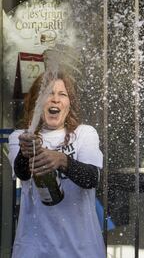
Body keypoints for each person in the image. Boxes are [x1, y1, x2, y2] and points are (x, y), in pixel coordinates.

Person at [8, 72, 105, 258]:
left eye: (63, 94)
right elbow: (22, 174)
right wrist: (25, 151)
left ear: (69, 104)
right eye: (48, 94)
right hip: (33, 249)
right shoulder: (19, 137)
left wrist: (62, 160)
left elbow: (92, 178)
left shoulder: (84, 133)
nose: (55, 100)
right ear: (37, 103)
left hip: (81, 250)